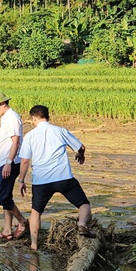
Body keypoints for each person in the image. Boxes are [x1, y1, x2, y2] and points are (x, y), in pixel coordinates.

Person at [17, 105, 95, 251]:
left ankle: (34, 245)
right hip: (63, 178)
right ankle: (82, 225)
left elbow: (25, 161)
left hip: (41, 181)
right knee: (84, 204)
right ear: (48, 116)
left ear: (34, 118)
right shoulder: (60, 131)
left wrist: (21, 180)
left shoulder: (30, 136)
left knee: (36, 212)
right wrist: (80, 155)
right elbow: (81, 147)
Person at [0, 92, 29, 240]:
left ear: (3, 104)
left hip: (11, 163)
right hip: (4, 162)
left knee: (1, 196)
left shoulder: (12, 118)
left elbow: (15, 142)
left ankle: (22, 221)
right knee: (6, 196)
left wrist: (8, 163)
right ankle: (7, 230)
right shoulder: (6, 118)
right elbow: (3, 144)